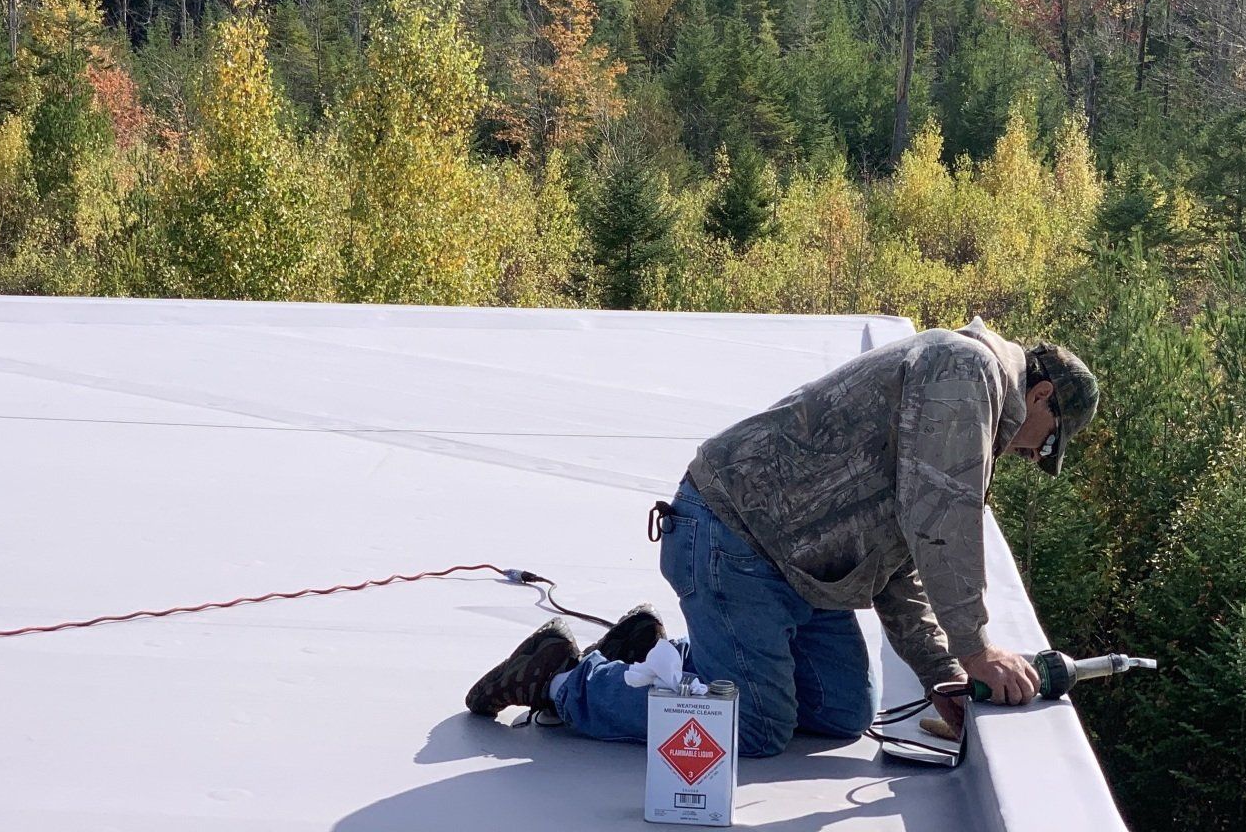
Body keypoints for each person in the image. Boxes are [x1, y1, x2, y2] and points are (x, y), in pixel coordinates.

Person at [465, 317, 1099, 756]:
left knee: (842, 714)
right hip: (730, 540)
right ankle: (558, 681)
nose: (1032, 453)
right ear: (1040, 394)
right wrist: (978, 648)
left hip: (797, 572)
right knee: (755, 728)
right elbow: (943, 520)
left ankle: (652, 658)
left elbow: (900, 559)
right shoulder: (968, 375)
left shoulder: (966, 389)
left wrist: (940, 671)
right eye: (1046, 439)